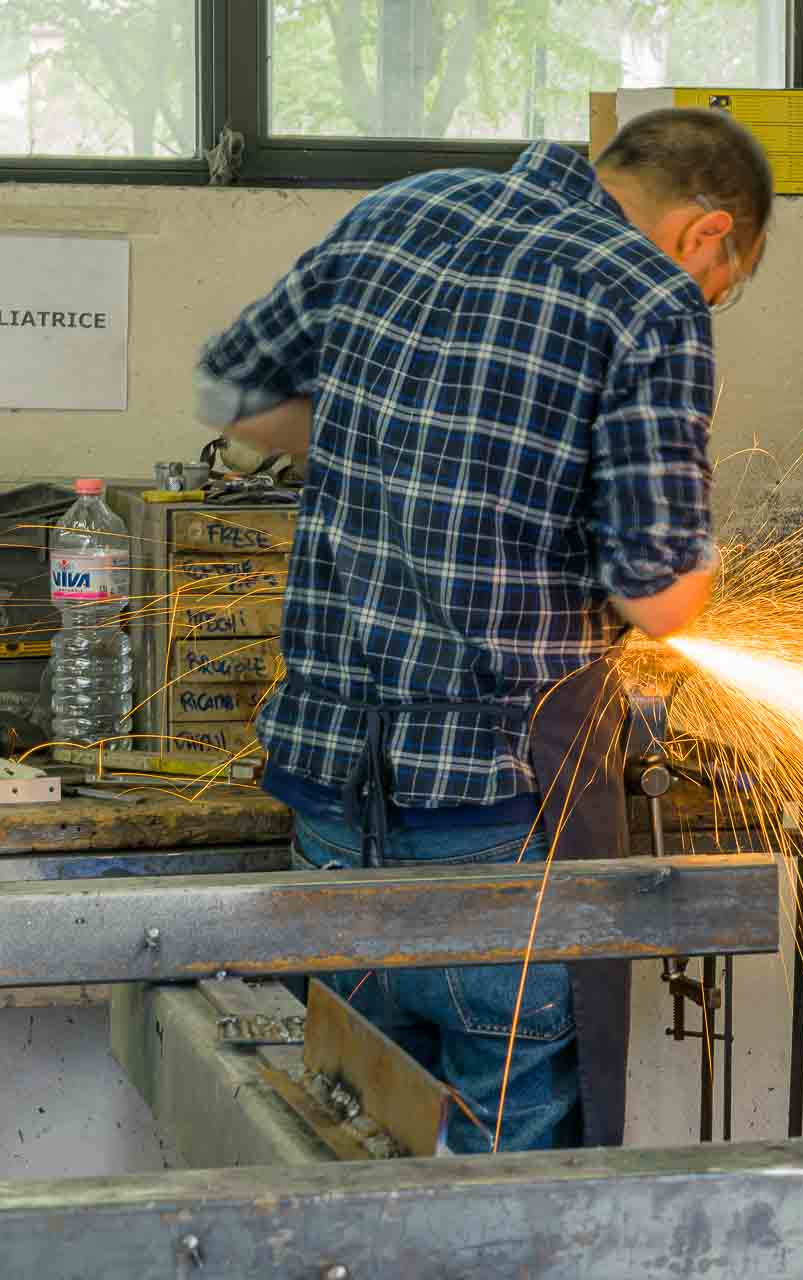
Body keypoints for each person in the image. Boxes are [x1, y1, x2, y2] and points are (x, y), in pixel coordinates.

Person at [193, 109, 772, 1153]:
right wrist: (698, 577)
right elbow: (656, 593)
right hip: (501, 830)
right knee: (509, 1214)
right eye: (727, 282)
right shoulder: (646, 296)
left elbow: (231, 395)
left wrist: (385, 453)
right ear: (706, 233)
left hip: (331, 822)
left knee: (354, 1163)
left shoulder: (394, 211)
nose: (711, 299)